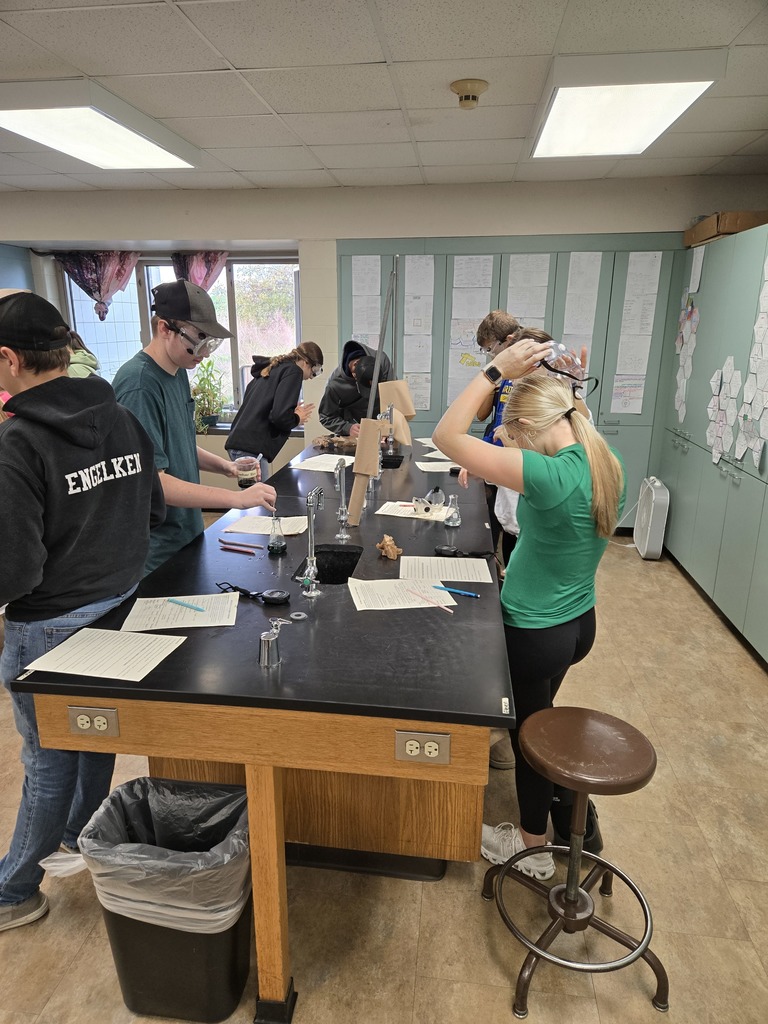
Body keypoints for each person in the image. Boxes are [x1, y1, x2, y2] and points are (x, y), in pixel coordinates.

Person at [0, 288, 166, 932]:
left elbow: (16, 569)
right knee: (95, 732)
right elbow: (152, 511)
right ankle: (76, 834)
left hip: (48, 622)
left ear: (10, 358)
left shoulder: (18, 442)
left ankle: (15, 890)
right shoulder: (119, 417)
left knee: (46, 760)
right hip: (118, 605)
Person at [434, 338, 625, 881]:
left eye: (514, 435)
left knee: (529, 739)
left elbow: (447, 436)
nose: (510, 444)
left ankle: (532, 846)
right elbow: (566, 415)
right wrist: (560, 389)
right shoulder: (602, 458)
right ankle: (562, 814)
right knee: (539, 720)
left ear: (529, 426)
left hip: (536, 630)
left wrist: (495, 371)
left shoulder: (550, 476)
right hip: (578, 622)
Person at [113, 280, 277, 575]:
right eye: (198, 339)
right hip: (156, 551)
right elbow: (154, 481)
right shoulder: (139, 385)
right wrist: (236, 499)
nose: (205, 352)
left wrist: (227, 467)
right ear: (165, 328)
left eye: (209, 342)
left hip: (186, 534)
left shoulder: (177, 371)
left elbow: (181, 442)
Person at [225, 342, 324, 481]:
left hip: (239, 443)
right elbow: (279, 417)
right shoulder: (294, 371)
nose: (311, 377)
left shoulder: (272, 368)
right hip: (251, 448)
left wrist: (290, 412)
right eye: (314, 370)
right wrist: (296, 418)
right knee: (259, 494)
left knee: (253, 493)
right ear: (306, 362)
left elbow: (265, 407)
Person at [318, 340, 393, 438]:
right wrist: (347, 428)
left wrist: (389, 426)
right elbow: (326, 417)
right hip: (357, 429)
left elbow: (393, 395)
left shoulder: (381, 361)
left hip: (383, 425)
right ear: (354, 374)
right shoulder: (335, 384)